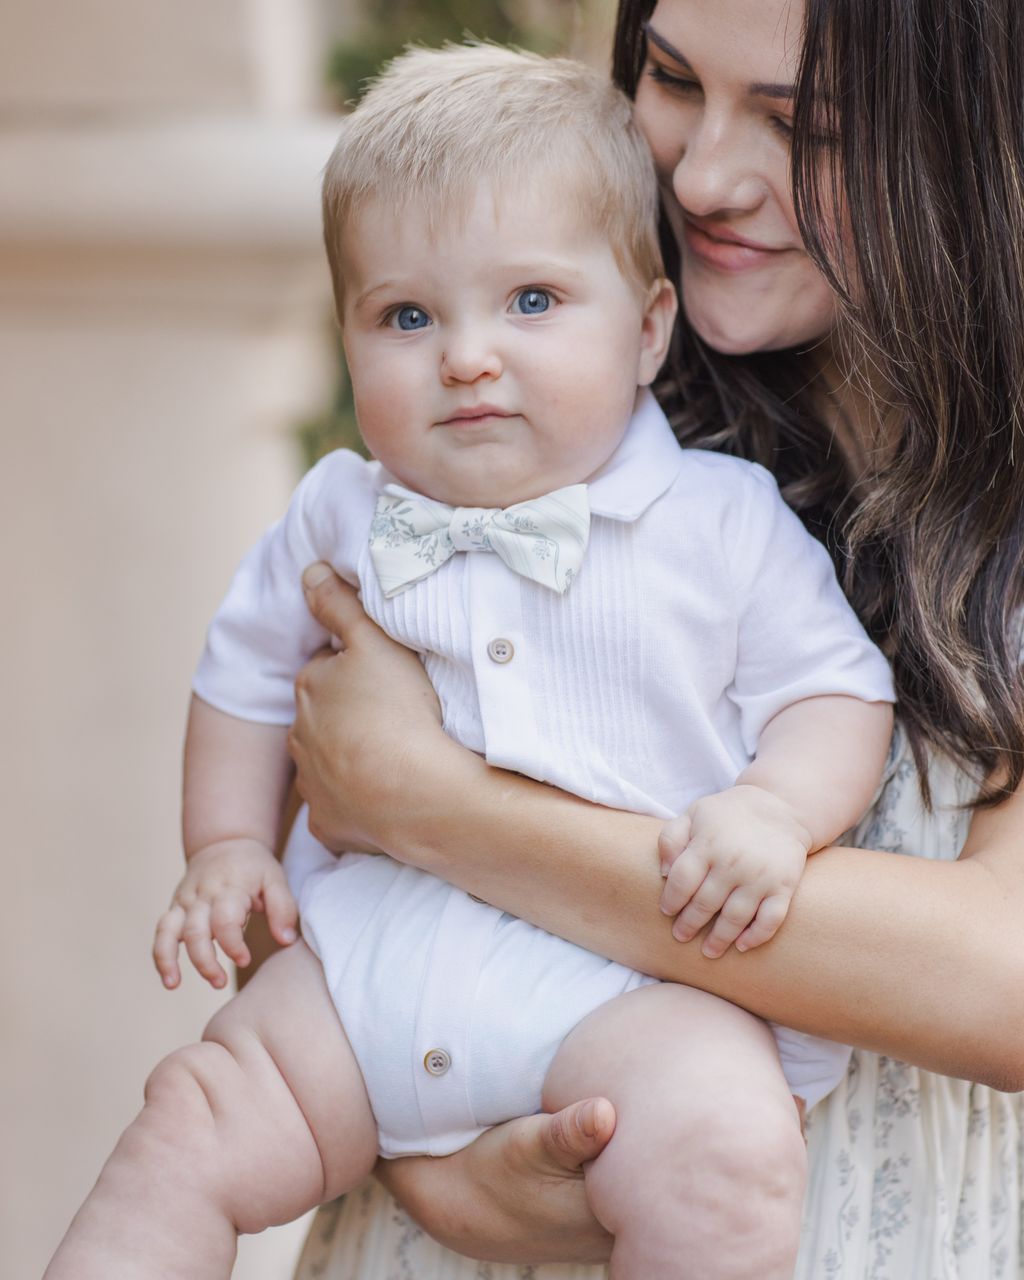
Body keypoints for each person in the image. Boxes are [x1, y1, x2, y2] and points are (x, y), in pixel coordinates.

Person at [43, 40, 897, 1280]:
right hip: (366, 970)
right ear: (345, 339)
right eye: (406, 315)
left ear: (648, 328)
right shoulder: (338, 514)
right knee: (192, 1119)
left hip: (627, 989)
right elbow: (238, 679)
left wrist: (772, 809)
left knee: (722, 1150)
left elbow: (833, 689)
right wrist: (224, 845)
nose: (467, 355)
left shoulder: (722, 518)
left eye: (532, 302)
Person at [281, 0, 1024, 1278]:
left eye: (808, 128)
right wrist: (435, 1162)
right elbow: (296, 895)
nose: (704, 174)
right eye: (671, 79)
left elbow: (999, 977)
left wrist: (441, 807)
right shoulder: (529, 412)